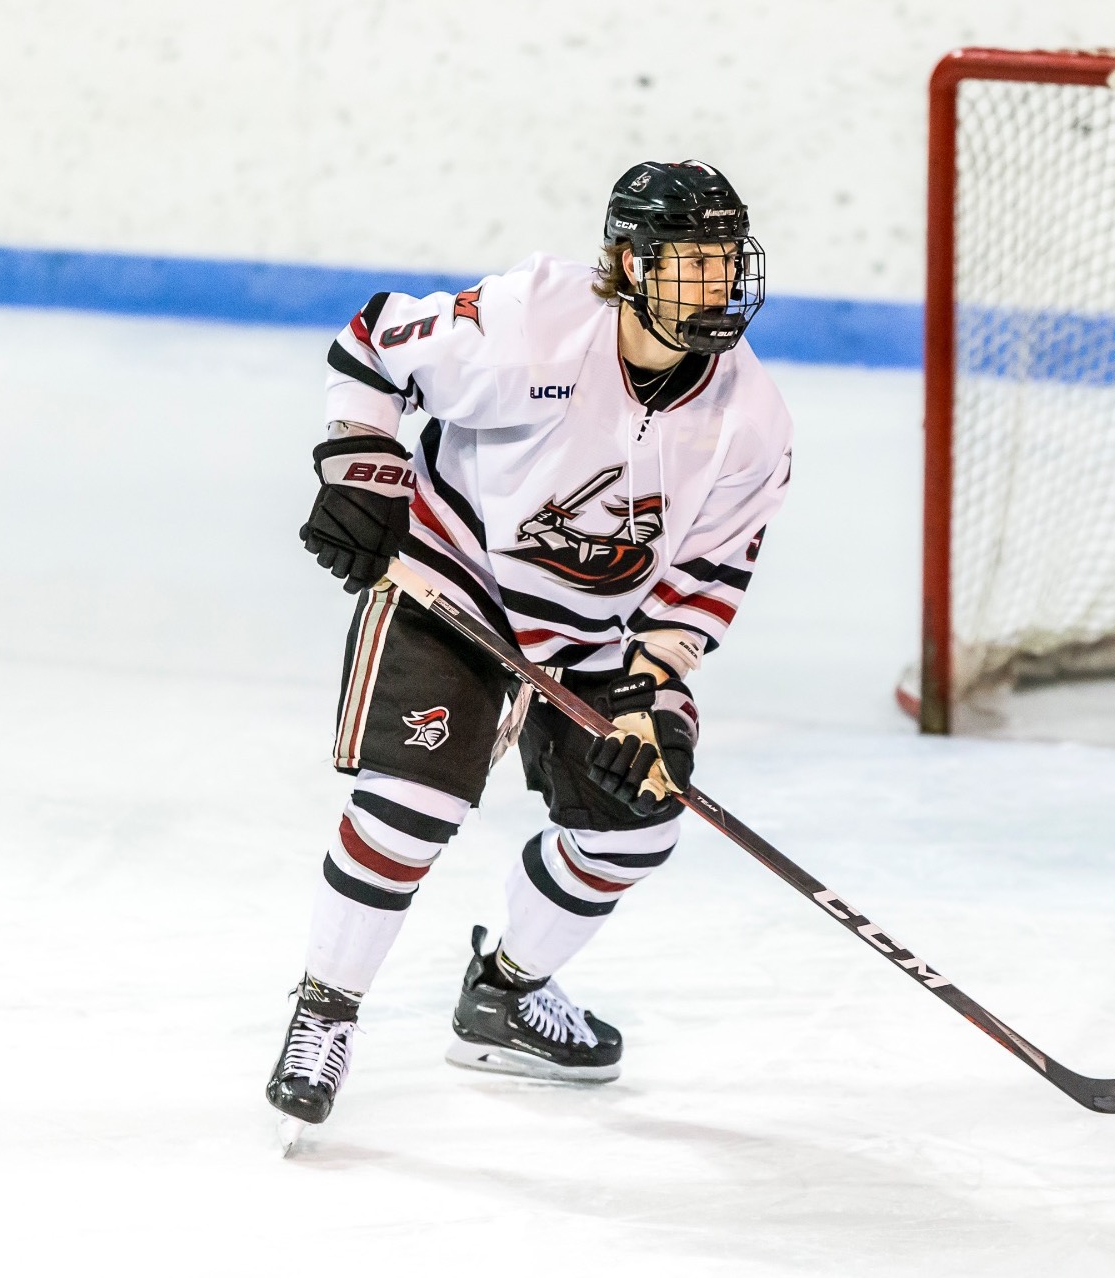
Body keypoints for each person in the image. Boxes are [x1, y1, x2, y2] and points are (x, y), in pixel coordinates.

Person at [266, 160, 793, 1134]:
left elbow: (703, 581)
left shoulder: (749, 419)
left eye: (726, 262)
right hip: (453, 579)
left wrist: (644, 692)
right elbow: (375, 342)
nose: (714, 286)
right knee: (409, 804)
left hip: (597, 630)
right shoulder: (531, 321)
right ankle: (324, 1012)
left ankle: (506, 993)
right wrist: (363, 473)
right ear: (628, 262)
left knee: (638, 821)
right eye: (689, 264)